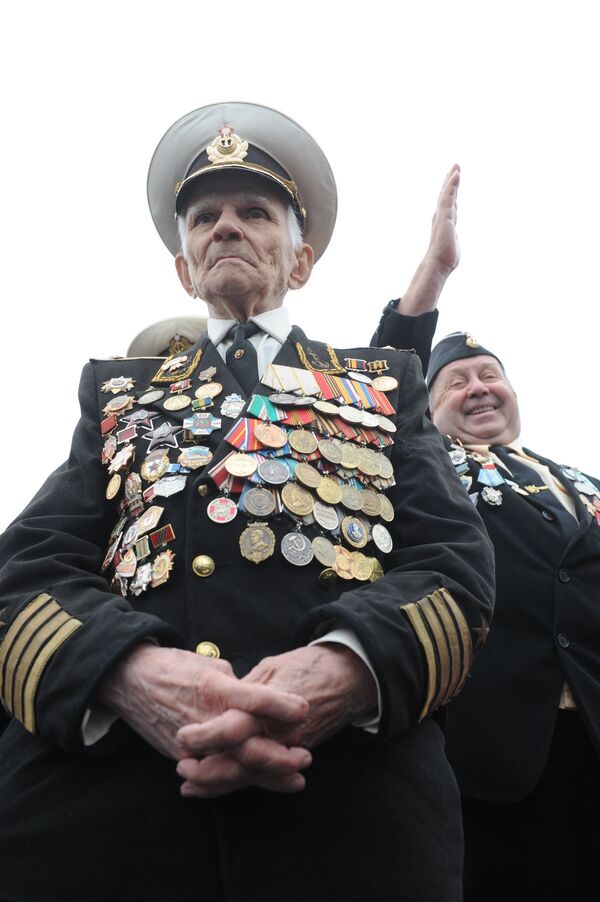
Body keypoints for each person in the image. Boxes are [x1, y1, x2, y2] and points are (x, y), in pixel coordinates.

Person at [0, 103, 494, 902]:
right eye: (205, 217)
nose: (225, 227)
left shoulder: (380, 384)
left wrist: (340, 670)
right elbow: (26, 575)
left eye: (254, 212)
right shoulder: (117, 392)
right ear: (184, 266)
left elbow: (455, 566)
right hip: (102, 821)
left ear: (299, 261)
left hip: (350, 820)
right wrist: (129, 673)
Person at [372, 178, 600, 901]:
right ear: (426, 408)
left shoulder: (581, 483)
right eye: (455, 382)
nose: (477, 388)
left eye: (489, 375)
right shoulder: (424, 466)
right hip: (491, 754)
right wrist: (432, 275)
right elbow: (379, 397)